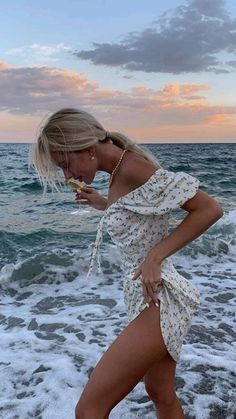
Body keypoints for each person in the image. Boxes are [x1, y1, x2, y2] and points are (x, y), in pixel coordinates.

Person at [31, 107, 224, 419]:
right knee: (161, 394)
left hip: (161, 301)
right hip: (148, 297)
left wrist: (155, 256)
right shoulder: (120, 171)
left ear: (89, 149)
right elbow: (143, 213)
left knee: (89, 410)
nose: (67, 176)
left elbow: (209, 209)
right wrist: (105, 204)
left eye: (66, 165)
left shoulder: (133, 166)